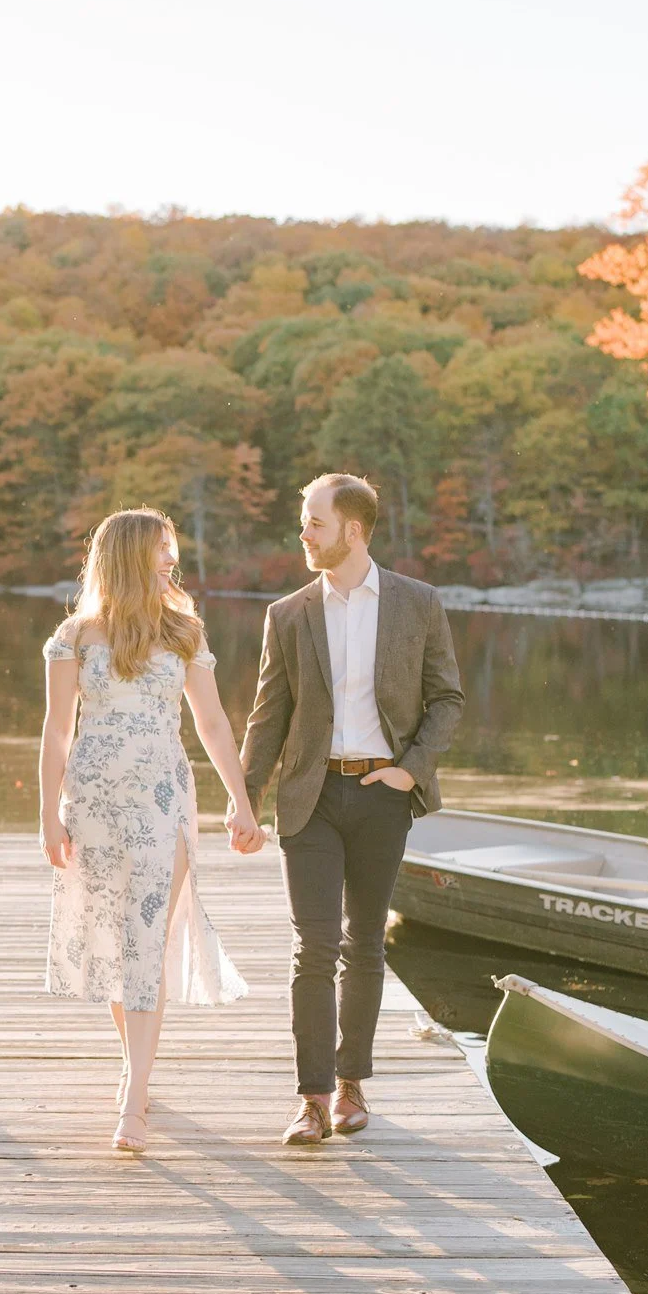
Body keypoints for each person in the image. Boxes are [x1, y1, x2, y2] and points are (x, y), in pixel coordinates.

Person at [241, 473, 464, 1146]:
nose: (303, 533)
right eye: (304, 521)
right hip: (309, 797)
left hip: (380, 796)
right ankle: (309, 1099)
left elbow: (446, 700)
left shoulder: (417, 603)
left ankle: (349, 1086)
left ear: (353, 530)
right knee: (313, 946)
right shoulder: (287, 613)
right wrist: (242, 800)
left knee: (363, 943)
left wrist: (408, 770)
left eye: (313, 521)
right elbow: (266, 715)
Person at [39, 507, 264, 1153]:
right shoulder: (76, 637)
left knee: (147, 942)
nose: (172, 561)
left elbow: (214, 725)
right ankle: (134, 1067)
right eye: (162, 551)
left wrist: (241, 803)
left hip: (162, 802)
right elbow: (56, 733)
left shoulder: (184, 631)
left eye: (173, 551)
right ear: (129, 557)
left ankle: (134, 1100)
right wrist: (46, 816)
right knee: (115, 948)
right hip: (92, 806)